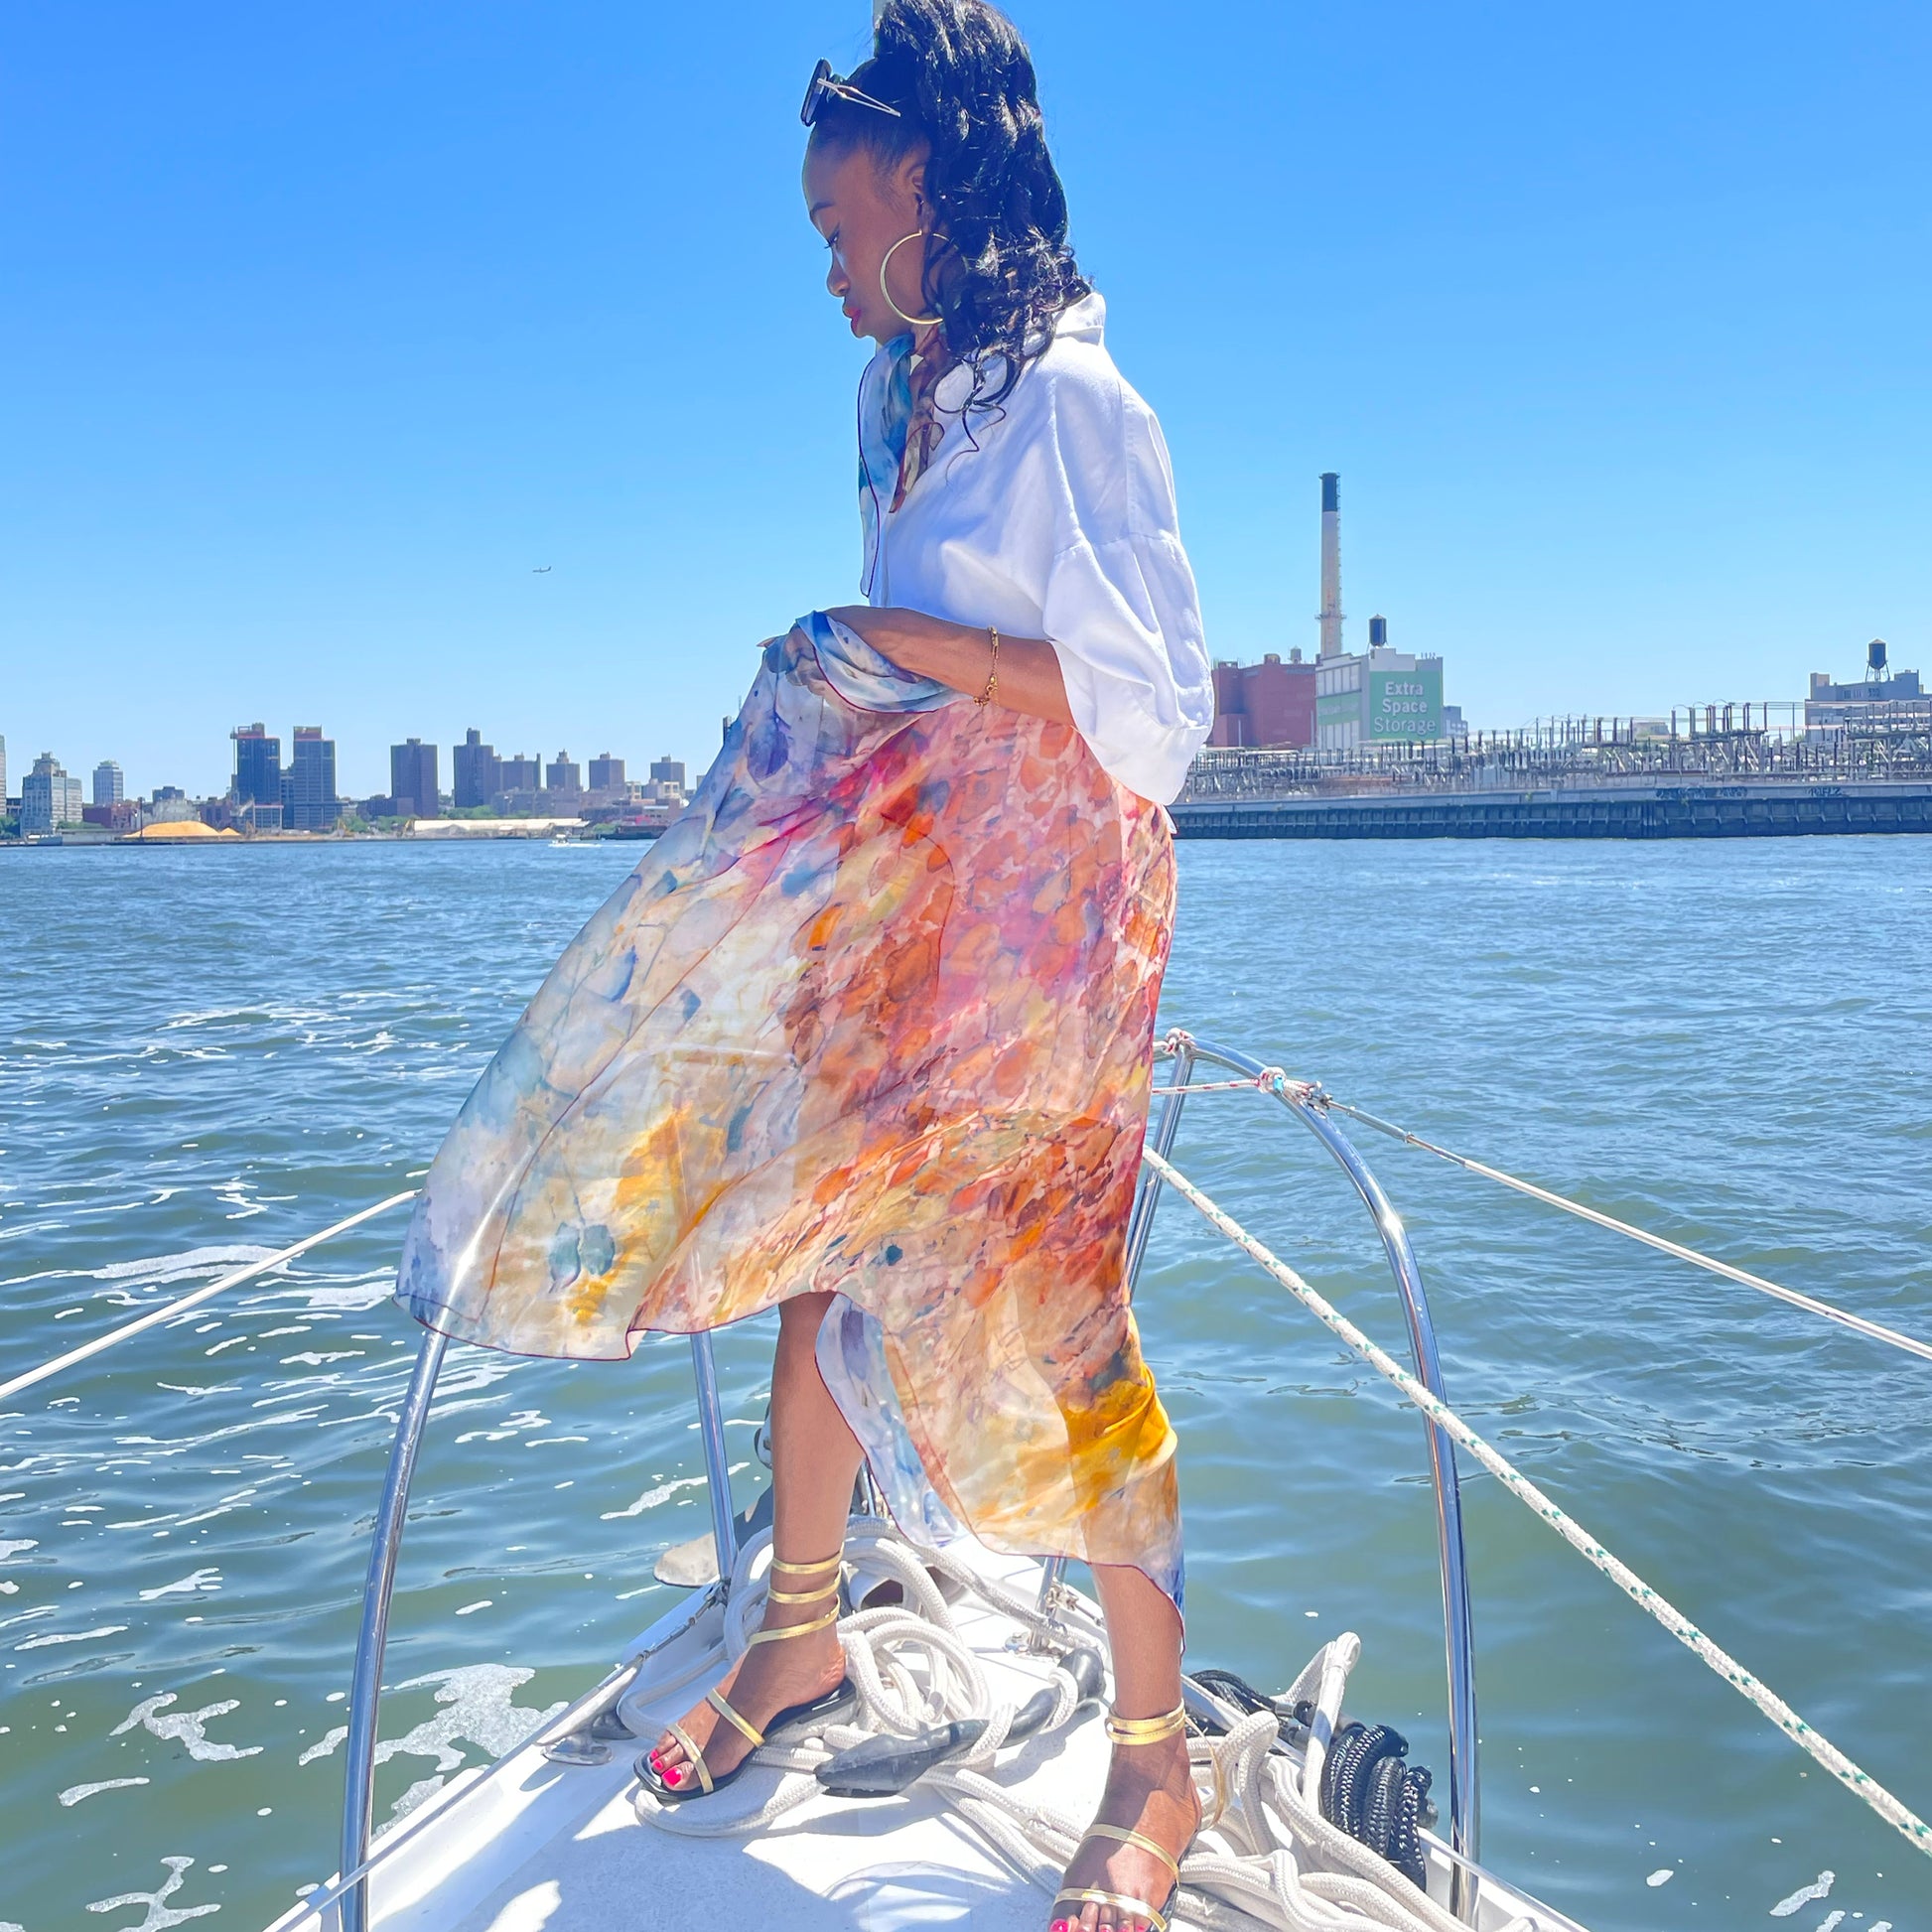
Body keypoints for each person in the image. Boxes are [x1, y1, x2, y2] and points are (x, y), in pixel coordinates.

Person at [394, 4, 1211, 1928]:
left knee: (1062, 1323)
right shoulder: (911, 397)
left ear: (925, 182)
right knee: (814, 1244)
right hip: (905, 914)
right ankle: (796, 1639)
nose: (826, 263)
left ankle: (1154, 1763)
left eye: (839, 221)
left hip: (1044, 938)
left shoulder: (1079, 407)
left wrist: (884, 641)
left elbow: (1158, 721)